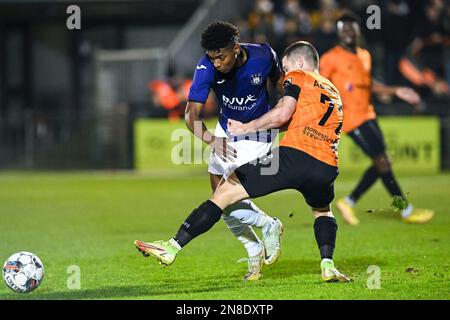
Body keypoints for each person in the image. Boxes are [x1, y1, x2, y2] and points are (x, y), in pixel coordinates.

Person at [134, 41, 351, 283]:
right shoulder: (332, 89)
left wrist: (246, 127)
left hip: (295, 156)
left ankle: (173, 246)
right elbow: (299, 120)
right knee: (322, 212)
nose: (285, 76)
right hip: (327, 165)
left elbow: (282, 114)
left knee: (223, 193)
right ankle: (328, 265)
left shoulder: (298, 76)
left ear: (299, 64)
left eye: (287, 69)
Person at [137, 21, 285, 280]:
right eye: (212, 57)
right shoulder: (205, 67)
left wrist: (280, 114)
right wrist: (210, 139)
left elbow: (280, 83)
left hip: (258, 133)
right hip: (225, 132)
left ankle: (268, 226)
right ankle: (255, 247)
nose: (217, 63)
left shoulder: (264, 54)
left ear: (236, 48)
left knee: (224, 197)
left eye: (221, 57)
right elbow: (190, 114)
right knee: (218, 193)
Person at [320, 12, 434, 225]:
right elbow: (321, 87)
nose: (347, 32)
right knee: (382, 161)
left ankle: (350, 201)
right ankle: (405, 209)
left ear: (357, 31)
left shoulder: (364, 55)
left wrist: (396, 90)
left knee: (382, 161)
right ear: (338, 32)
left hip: (368, 113)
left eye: (351, 28)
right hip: (351, 119)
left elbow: (371, 84)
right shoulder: (330, 58)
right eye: (343, 28)